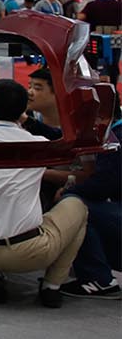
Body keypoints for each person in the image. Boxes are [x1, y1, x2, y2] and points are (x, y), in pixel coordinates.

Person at [0, 79, 88, 308]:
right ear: (24, 110)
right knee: (78, 207)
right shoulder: (40, 145)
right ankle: (52, 286)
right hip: (31, 254)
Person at [58, 118, 120, 299]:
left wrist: (68, 191)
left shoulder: (116, 136)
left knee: (76, 205)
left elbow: (103, 185)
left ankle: (98, 279)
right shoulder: (110, 131)